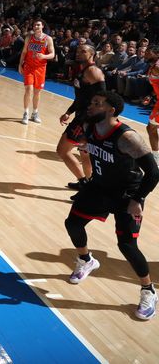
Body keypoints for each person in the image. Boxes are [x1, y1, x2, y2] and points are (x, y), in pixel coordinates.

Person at [64, 90, 158, 320]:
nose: (91, 105)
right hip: (99, 187)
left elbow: (154, 172)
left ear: (111, 110)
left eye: (97, 103)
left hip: (127, 194)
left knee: (126, 245)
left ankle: (149, 290)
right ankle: (86, 260)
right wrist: (87, 149)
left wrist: (137, 200)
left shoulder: (127, 137)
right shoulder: (90, 126)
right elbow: (90, 145)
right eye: (92, 101)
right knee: (73, 223)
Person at [58, 44, 105, 190]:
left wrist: (90, 120)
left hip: (85, 120)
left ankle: (85, 186)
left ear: (92, 54)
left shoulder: (93, 71)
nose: (79, 53)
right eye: (78, 50)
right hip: (82, 116)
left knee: (62, 150)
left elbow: (103, 97)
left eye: (83, 51)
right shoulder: (83, 70)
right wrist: (69, 112)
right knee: (85, 155)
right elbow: (82, 97)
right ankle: (89, 184)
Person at [17, 19, 55, 124]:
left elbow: (52, 54)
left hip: (40, 68)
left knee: (37, 92)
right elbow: (24, 52)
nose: (36, 26)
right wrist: (20, 64)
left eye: (38, 25)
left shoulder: (48, 39)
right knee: (28, 89)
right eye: (34, 25)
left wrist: (44, 56)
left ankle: (35, 113)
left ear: (42, 26)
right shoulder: (29, 37)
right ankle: (25, 113)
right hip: (29, 67)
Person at [143, 47, 159, 162]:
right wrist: (150, 95)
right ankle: (156, 156)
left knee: (151, 127)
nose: (145, 54)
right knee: (151, 128)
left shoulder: (158, 67)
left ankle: (156, 158)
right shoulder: (153, 67)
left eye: (148, 53)